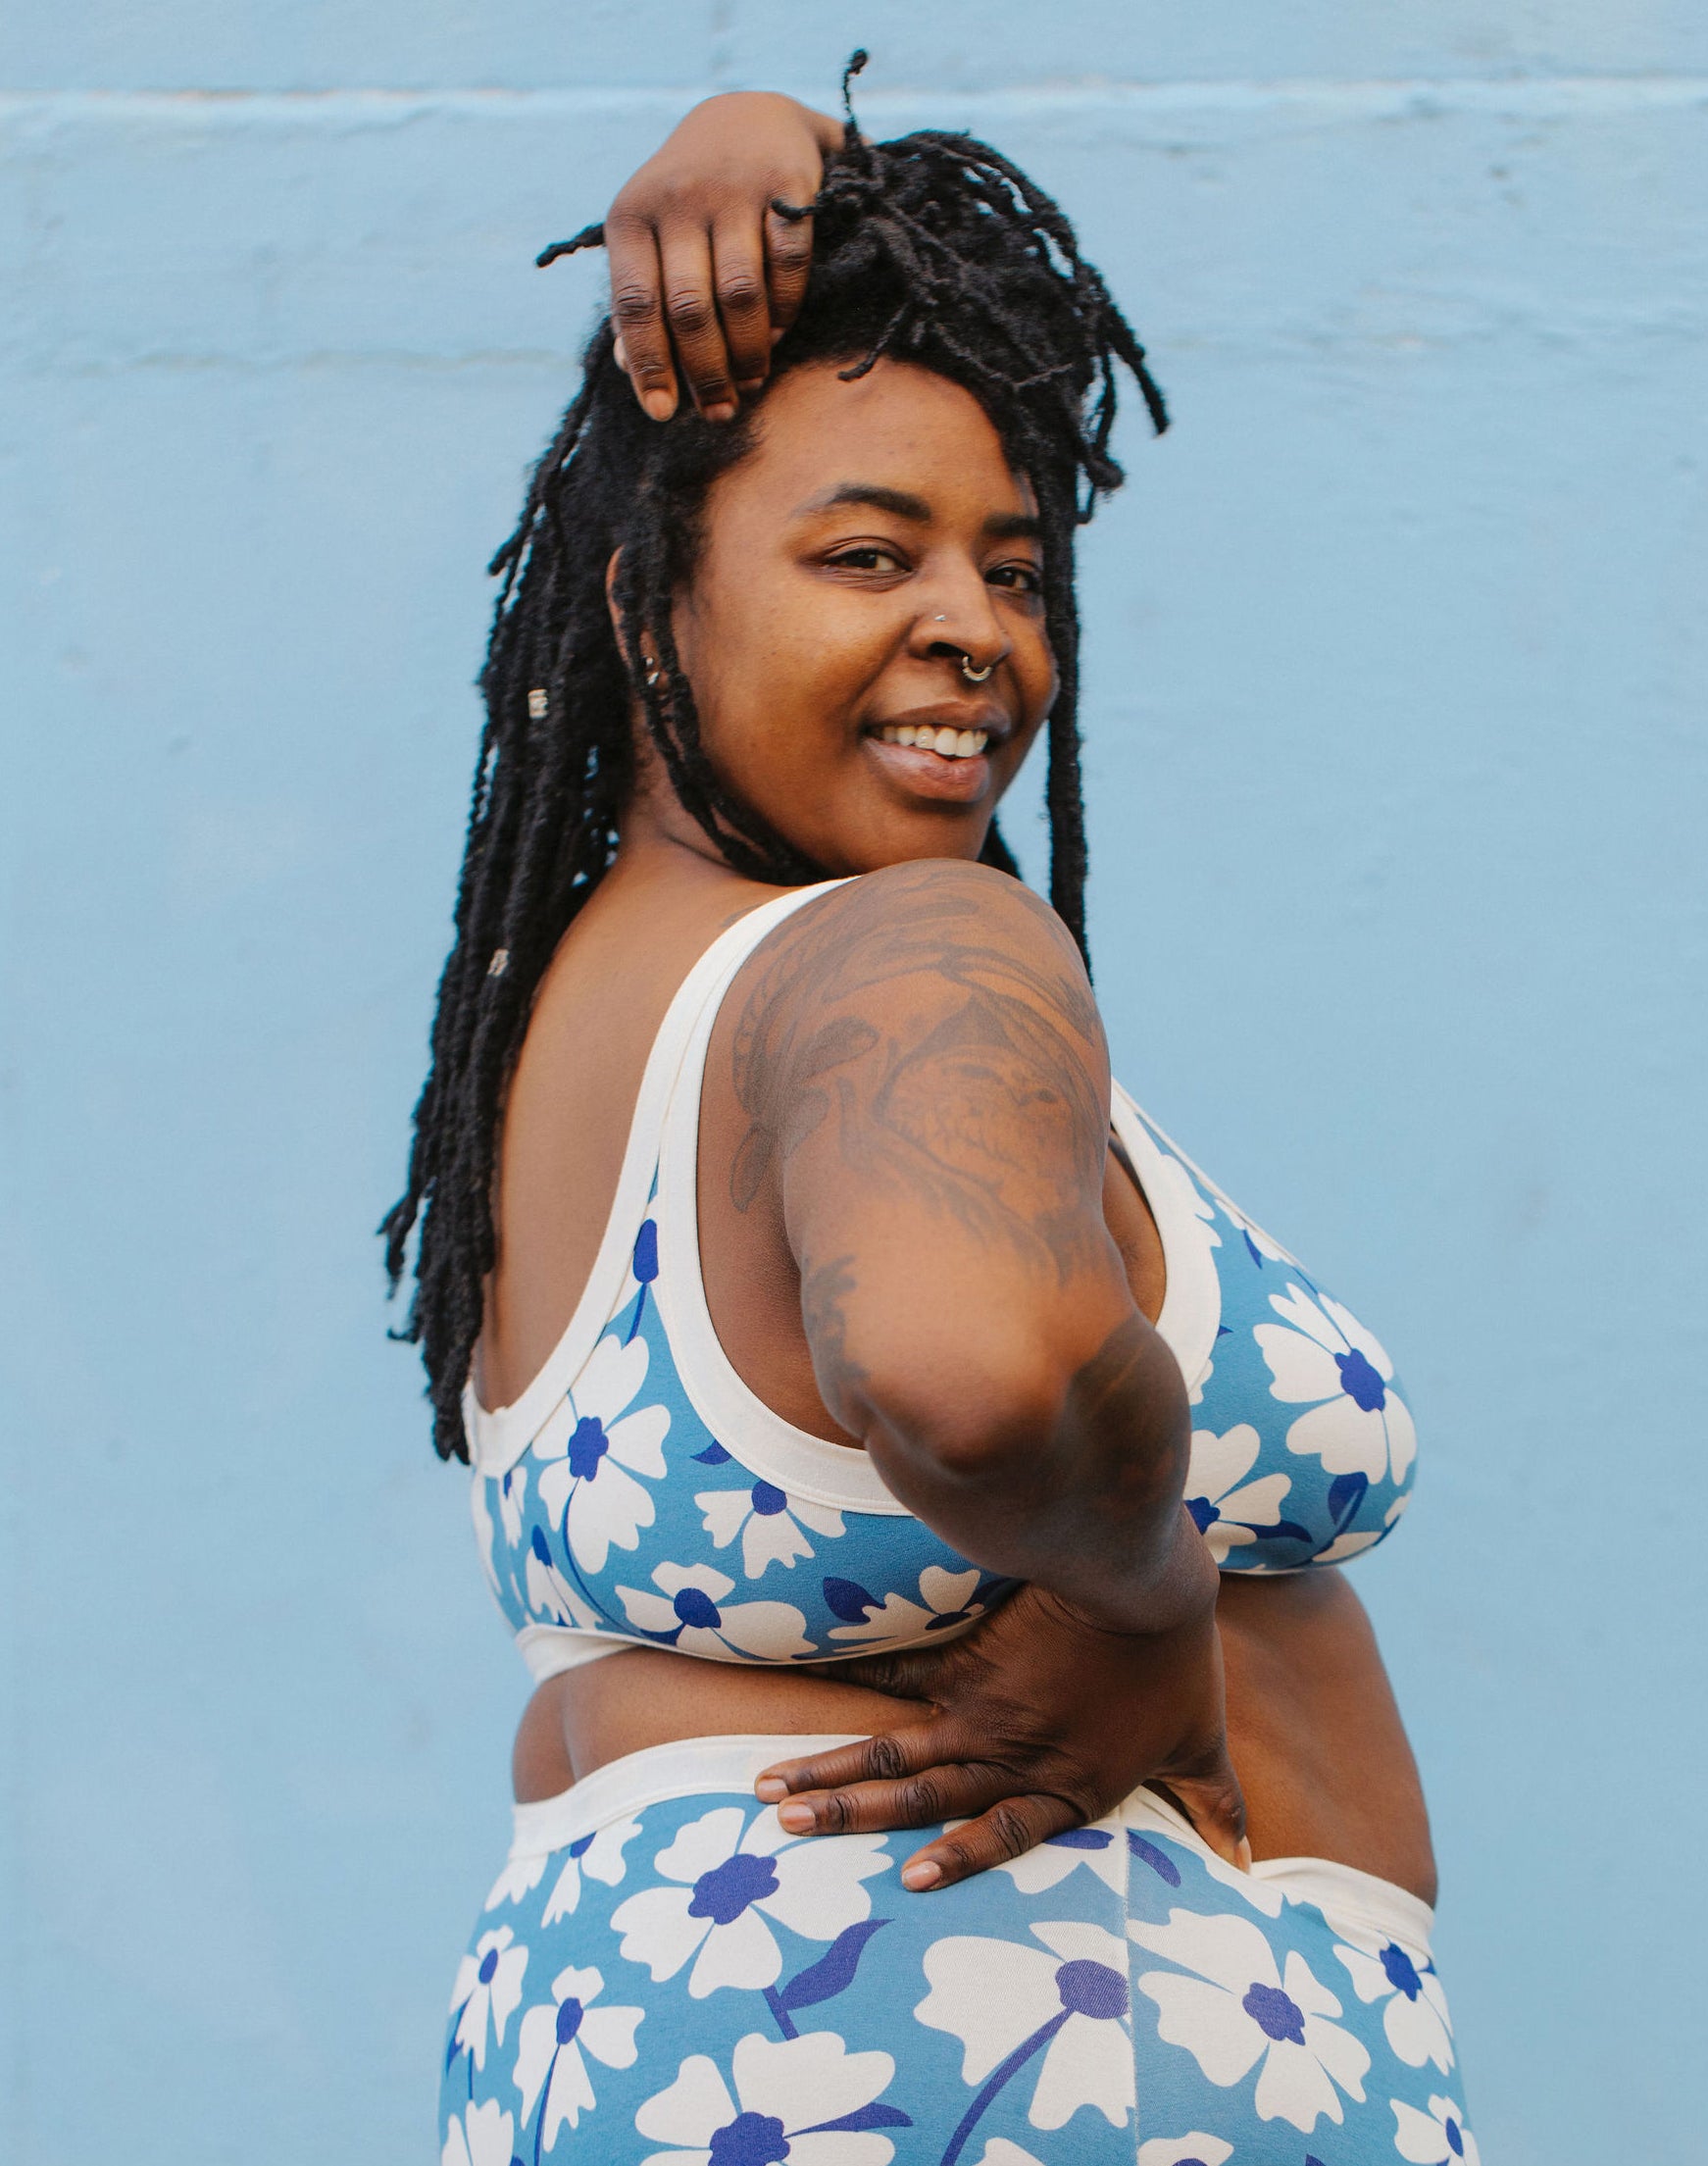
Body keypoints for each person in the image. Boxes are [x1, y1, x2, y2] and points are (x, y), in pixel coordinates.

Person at [385, 61, 1475, 2166]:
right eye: (866, 553)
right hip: (992, 2063)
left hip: (675, 2046)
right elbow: (970, 1367)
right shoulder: (903, 950)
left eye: (1011, 565)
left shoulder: (589, 1021)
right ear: (640, 605)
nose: (970, 629)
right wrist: (1151, 1595)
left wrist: (783, 137)